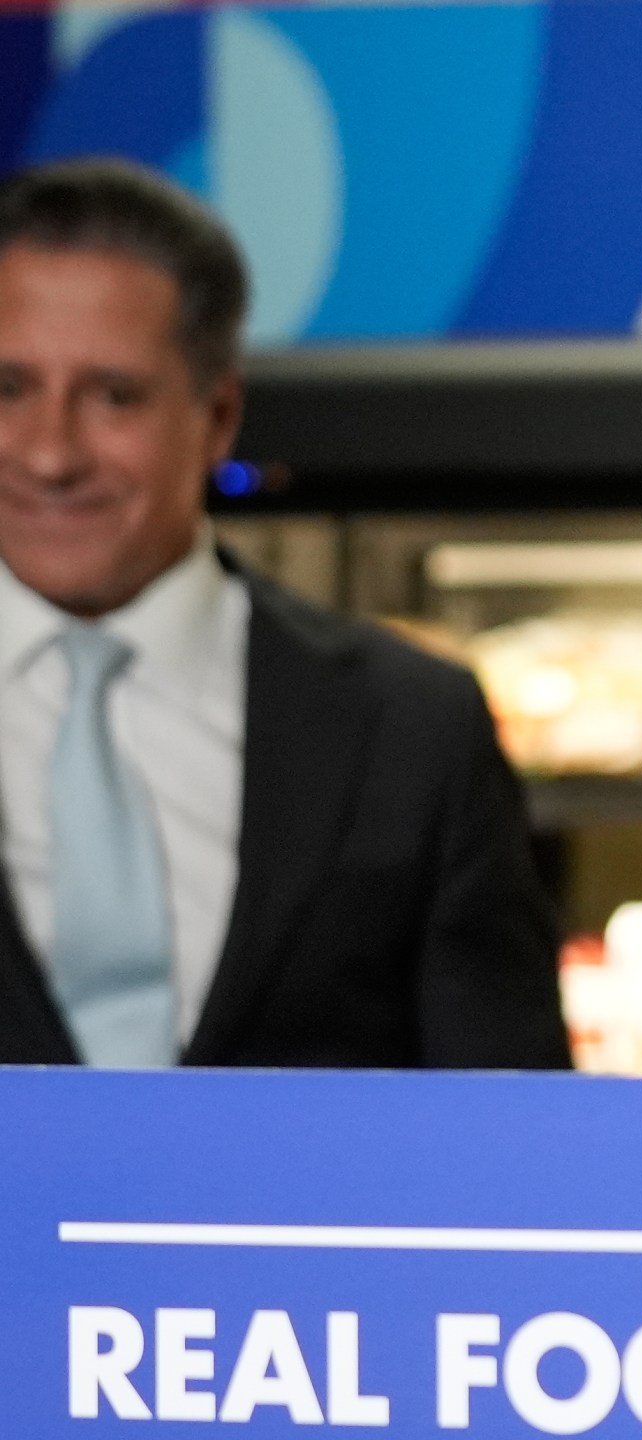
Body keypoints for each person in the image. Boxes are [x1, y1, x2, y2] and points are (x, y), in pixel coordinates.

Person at [0, 159, 568, 1069]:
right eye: (9, 390)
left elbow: (505, 1135)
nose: (49, 454)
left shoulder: (414, 731)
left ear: (218, 413)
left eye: (113, 396)